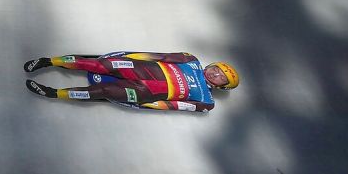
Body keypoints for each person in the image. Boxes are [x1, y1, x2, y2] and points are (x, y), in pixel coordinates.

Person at [24, 51, 239, 112]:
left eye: (221, 77)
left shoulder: (206, 101)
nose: (215, 74)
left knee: (105, 90)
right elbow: (160, 57)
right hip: (144, 68)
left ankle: (54, 93)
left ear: (221, 86)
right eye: (217, 69)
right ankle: (48, 61)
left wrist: (147, 104)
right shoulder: (191, 60)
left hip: (145, 91)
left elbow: (175, 106)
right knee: (99, 65)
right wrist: (131, 57)